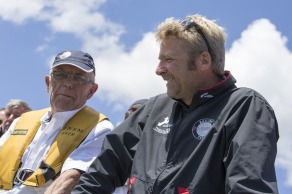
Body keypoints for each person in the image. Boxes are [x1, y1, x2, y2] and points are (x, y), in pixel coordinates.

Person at [72, 14, 279, 194]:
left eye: (168, 59)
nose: (159, 69)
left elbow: (249, 188)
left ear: (204, 61)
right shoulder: (154, 109)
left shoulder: (244, 107)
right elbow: (99, 175)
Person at [0, 50, 114, 194]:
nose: (68, 83)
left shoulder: (100, 128)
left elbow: (71, 179)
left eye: (79, 79)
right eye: (60, 75)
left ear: (92, 91)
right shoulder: (20, 122)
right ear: (48, 83)